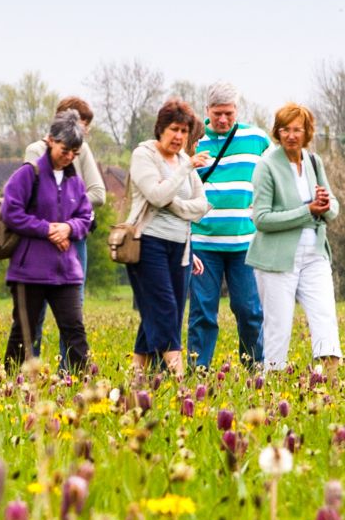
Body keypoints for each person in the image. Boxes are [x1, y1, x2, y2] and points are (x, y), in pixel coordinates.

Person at [249, 102, 341, 370]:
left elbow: (332, 206)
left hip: (315, 254)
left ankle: (331, 381)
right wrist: (307, 211)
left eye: (297, 130)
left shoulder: (314, 161)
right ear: (277, 132)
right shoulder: (266, 166)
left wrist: (324, 208)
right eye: (285, 129)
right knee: (279, 326)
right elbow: (262, 219)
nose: (291, 135)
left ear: (307, 132)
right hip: (277, 260)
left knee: (325, 317)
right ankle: (273, 384)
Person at [0, 112, 95, 371]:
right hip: (29, 270)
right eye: (65, 150)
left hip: (66, 271)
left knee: (75, 331)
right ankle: (11, 382)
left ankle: (82, 384)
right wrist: (46, 229)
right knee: (24, 333)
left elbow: (86, 217)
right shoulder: (28, 174)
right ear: (51, 141)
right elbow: (11, 212)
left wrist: (68, 227)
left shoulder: (75, 181)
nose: (69, 157)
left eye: (75, 153)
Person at [124, 99, 211, 377]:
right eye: (174, 129)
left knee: (160, 313)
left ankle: (137, 376)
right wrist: (183, 173)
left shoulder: (184, 159)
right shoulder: (144, 155)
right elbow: (156, 195)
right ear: (161, 128)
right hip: (147, 243)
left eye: (185, 132)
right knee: (164, 311)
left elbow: (201, 206)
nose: (179, 137)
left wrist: (175, 206)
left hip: (181, 247)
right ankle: (180, 378)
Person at [186, 82, 267, 368]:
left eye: (229, 114)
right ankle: (200, 369)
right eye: (218, 113)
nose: (223, 119)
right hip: (203, 242)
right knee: (203, 312)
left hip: (243, 242)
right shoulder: (193, 141)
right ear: (206, 110)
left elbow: (274, 174)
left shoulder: (257, 139)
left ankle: (254, 365)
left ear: (237, 111)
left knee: (249, 310)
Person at [23, 95, 107, 297]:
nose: (84, 132)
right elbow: (33, 197)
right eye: (81, 124)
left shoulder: (83, 150)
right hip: (41, 238)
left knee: (74, 305)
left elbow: (98, 194)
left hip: (74, 236)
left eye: (86, 127)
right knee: (36, 307)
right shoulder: (35, 151)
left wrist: (66, 221)